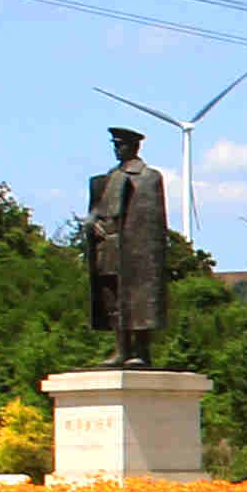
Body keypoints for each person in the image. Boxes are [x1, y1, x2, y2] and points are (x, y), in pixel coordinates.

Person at [84, 127, 171, 367]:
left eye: (120, 145)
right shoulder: (109, 177)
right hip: (109, 248)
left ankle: (141, 351)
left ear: (134, 147)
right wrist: (92, 225)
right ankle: (121, 349)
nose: (116, 149)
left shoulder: (148, 177)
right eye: (115, 145)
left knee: (138, 299)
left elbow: (151, 221)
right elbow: (97, 211)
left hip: (135, 251)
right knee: (113, 300)